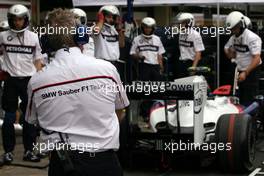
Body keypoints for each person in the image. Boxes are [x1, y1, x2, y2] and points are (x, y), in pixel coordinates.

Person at [25, 8, 129, 176]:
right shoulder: (107, 70)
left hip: (63, 164)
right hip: (105, 161)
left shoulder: (36, 82)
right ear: (82, 35)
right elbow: (120, 111)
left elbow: (33, 120)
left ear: (45, 41)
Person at [0, 4, 43, 164]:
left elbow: (38, 60)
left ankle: (29, 151)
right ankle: (8, 152)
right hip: (10, 80)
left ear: (26, 20)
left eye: (20, 19)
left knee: (29, 119)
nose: (17, 23)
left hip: (29, 81)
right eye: (14, 20)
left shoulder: (33, 37)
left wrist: (39, 80)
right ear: (10, 20)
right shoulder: (3, 36)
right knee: (9, 118)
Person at [224, 11, 262, 105]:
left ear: (241, 25)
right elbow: (226, 48)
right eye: (231, 29)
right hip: (240, 70)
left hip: (251, 71)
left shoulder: (252, 37)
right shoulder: (233, 37)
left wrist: (245, 72)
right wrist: (231, 55)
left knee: (250, 98)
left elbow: (257, 59)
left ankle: (250, 119)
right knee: (240, 97)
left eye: (234, 28)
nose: (232, 31)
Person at [130, 17, 165, 81]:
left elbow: (159, 54)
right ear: (142, 28)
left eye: (150, 27)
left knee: (156, 86)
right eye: (146, 27)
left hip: (155, 66)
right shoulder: (137, 39)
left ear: (153, 28)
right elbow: (132, 53)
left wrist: (161, 66)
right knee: (144, 87)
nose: (148, 29)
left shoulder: (157, 39)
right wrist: (139, 56)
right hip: (143, 66)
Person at [175, 12, 205, 78]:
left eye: (183, 23)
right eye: (181, 23)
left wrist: (193, 67)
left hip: (191, 63)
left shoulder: (195, 34)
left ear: (189, 23)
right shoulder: (181, 33)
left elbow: (198, 53)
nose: (181, 25)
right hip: (181, 62)